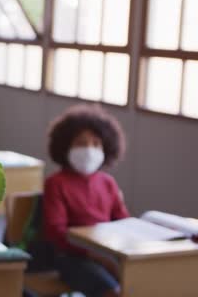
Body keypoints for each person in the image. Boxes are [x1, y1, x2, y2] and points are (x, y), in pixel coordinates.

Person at [43, 104, 130, 297]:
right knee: (112, 292)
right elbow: (56, 232)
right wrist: (94, 255)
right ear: (66, 146)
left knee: (141, 281)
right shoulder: (56, 183)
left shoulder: (108, 183)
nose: (89, 149)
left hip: (107, 253)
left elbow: (124, 223)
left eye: (96, 144)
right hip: (71, 257)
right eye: (81, 143)